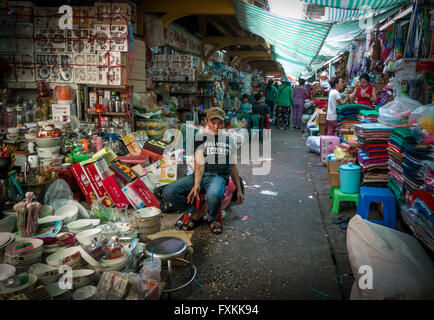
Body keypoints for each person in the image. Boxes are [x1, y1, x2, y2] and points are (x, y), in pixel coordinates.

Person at [162, 107, 244, 234]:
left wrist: (239, 190)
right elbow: (199, 163)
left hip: (218, 177)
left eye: (220, 123)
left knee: (214, 195)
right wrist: (196, 184)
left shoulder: (229, 141)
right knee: (169, 191)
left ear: (224, 123)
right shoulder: (201, 138)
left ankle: (212, 218)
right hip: (199, 175)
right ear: (207, 122)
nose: (216, 126)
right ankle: (194, 212)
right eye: (213, 122)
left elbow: (233, 166)